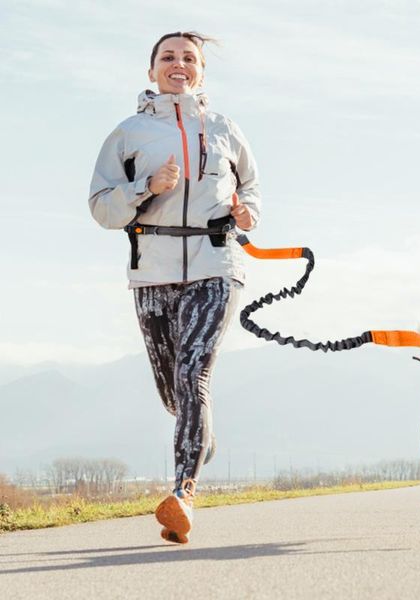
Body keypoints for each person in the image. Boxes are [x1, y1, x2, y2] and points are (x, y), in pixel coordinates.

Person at [89, 31, 260, 544]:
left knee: (192, 373)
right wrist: (146, 187)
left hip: (216, 267)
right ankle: (197, 427)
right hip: (153, 272)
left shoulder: (227, 129)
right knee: (174, 390)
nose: (178, 64)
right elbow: (101, 207)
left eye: (189, 58)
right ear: (151, 71)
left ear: (201, 71)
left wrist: (248, 214)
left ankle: (183, 494)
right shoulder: (128, 133)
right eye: (168, 57)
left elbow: (250, 187)